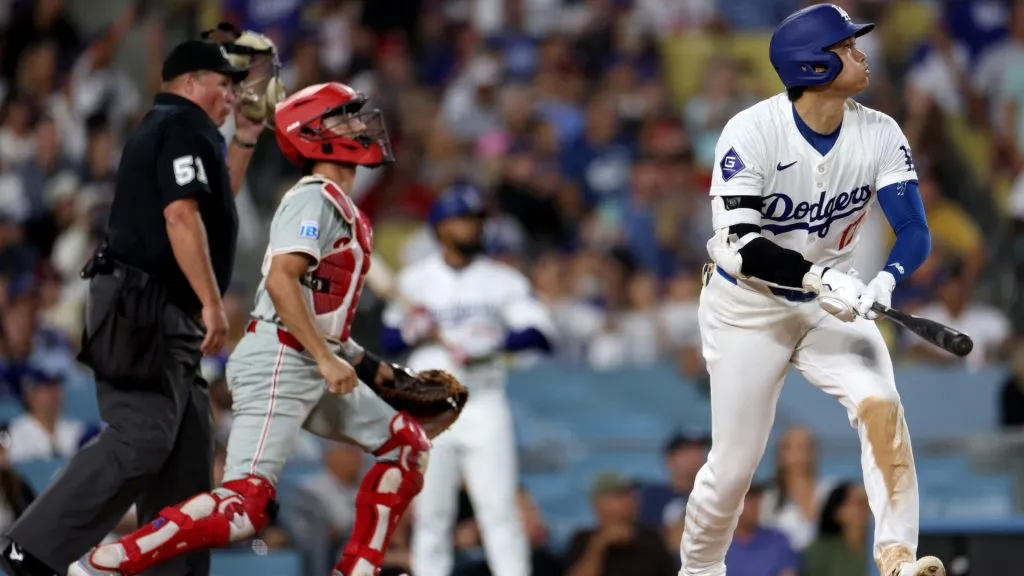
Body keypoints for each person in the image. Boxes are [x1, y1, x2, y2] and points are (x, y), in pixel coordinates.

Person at [70, 81, 457, 576]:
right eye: (345, 117)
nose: (361, 125)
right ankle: (104, 564)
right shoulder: (314, 197)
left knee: (407, 445)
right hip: (281, 357)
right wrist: (324, 357)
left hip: (307, 355)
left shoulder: (344, 206)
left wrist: (382, 374)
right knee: (244, 508)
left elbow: (326, 320)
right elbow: (280, 281)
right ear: (315, 133)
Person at [682, 4, 944, 576]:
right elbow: (739, 243)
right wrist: (817, 275)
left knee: (881, 404)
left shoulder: (879, 130)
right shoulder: (751, 131)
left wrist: (886, 279)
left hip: (834, 302)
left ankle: (896, 557)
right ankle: (699, 569)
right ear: (814, 66)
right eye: (847, 47)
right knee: (733, 466)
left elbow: (915, 231)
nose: (860, 53)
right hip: (746, 306)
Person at [0, 38, 266, 576]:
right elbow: (180, 217)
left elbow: (216, 208)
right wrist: (215, 305)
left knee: (187, 465)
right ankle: (30, 547)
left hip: (168, 313)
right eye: (225, 85)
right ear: (191, 82)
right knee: (141, 438)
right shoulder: (179, 123)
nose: (232, 96)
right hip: (141, 305)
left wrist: (246, 139)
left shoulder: (195, 136)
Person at [390, 184, 556, 576]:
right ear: (441, 227)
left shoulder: (502, 279)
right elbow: (389, 338)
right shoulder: (415, 280)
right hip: (431, 407)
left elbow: (540, 333)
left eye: (477, 220)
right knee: (431, 512)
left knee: (499, 508)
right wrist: (414, 329)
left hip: (483, 401)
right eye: (464, 220)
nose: (473, 228)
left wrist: (493, 341)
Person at [802, 482, 872, 576]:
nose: (864, 506)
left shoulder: (883, 547)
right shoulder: (820, 552)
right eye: (857, 502)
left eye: (866, 501)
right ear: (837, 512)